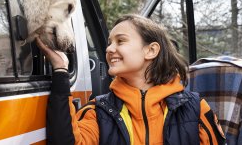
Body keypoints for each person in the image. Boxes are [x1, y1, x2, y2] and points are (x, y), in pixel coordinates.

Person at [37, 14, 225, 145]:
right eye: (109, 43)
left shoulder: (196, 108)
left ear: (150, 50)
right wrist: (61, 69)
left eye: (120, 41)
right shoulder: (98, 111)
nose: (109, 49)